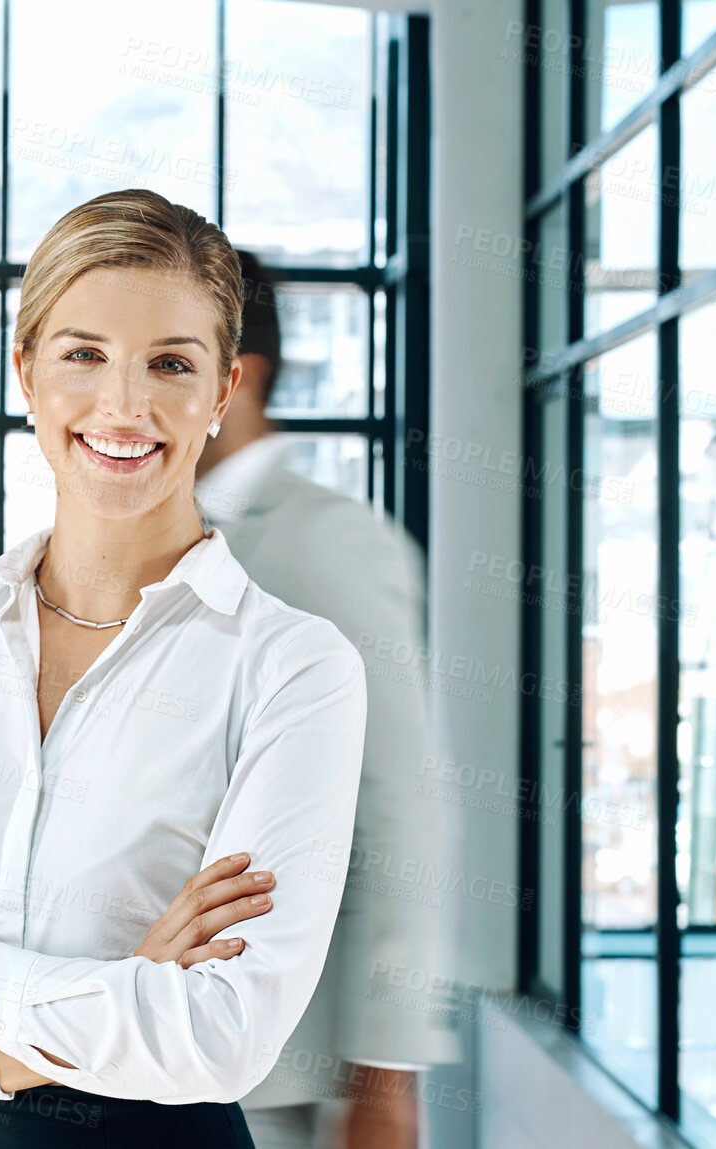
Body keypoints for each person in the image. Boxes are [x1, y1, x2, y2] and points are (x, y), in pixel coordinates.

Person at [0, 189, 369, 1148]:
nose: (123, 404)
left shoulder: (293, 670)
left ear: (221, 392)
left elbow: (218, 1039)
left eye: (169, 363)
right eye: (83, 354)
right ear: (28, 374)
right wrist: (118, 992)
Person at [198, 253, 462, 1149]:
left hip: (273, 1083)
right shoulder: (143, 539)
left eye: (168, 362)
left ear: (238, 377)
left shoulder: (324, 543)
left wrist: (384, 1074)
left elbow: (402, 812)